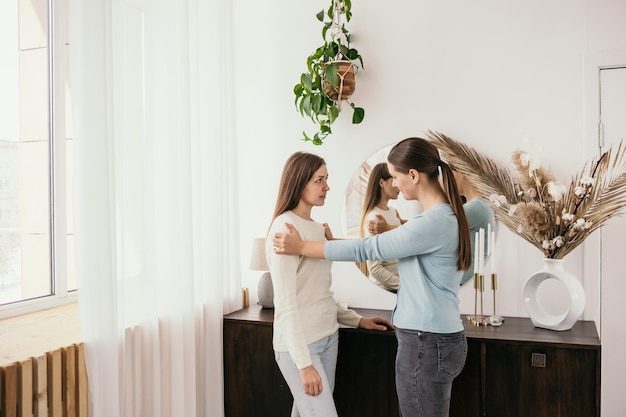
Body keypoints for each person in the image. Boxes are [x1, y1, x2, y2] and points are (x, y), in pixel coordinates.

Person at [272, 138, 471, 417]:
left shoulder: (432, 222)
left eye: (396, 176)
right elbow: (292, 299)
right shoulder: (442, 217)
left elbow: (369, 248)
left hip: (426, 342)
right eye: (320, 180)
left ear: (413, 175)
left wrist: (303, 247)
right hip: (435, 339)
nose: (396, 184)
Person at [266, 151, 394, 417]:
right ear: (299, 182)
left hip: (327, 337)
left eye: (327, 179)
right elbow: (286, 302)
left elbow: (318, 293)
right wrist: (303, 364)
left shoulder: (316, 228)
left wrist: (357, 320)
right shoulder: (285, 228)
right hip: (301, 347)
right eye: (319, 180)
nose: (327, 187)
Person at [359, 162, 405, 292]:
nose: (397, 184)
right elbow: (375, 269)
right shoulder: (374, 219)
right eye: (394, 179)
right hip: (387, 291)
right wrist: (405, 286)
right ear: (381, 183)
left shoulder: (392, 212)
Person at [450, 164, 497, 285]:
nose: (448, 179)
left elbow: (433, 230)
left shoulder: (475, 208)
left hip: (467, 282)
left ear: (462, 172)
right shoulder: (480, 205)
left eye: (451, 173)